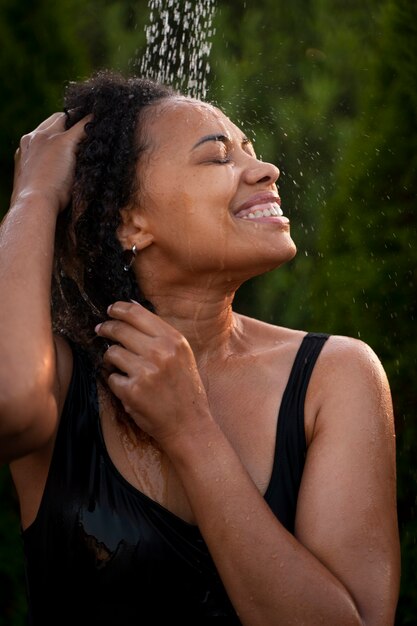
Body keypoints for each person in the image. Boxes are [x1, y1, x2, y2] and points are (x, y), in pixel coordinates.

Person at [0, 69, 400, 625]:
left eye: (250, 151)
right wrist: (35, 197)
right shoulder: (62, 381)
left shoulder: (335, 376)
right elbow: (10, 404)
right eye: (218, 157)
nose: (266, 169)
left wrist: (191, 430)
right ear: (129, 223)